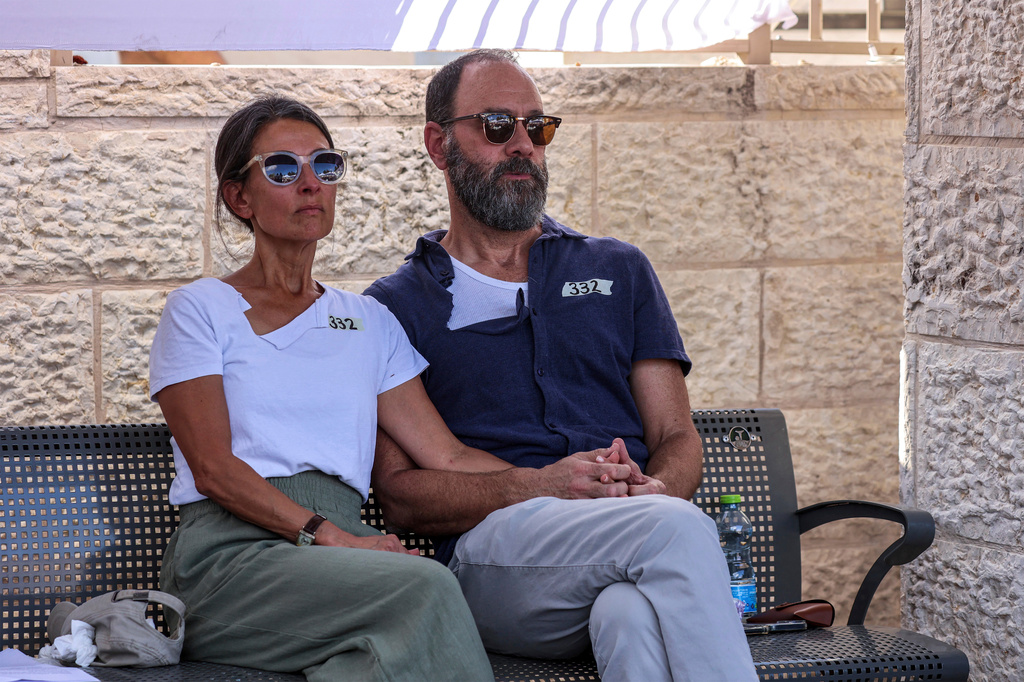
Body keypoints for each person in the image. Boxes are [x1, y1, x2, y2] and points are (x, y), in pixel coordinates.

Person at [364, 50, 759, 681]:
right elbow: (400, 496)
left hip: (627, 537)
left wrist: (654, 492)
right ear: (440, 145)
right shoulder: (396, 305)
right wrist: (542, 485)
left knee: (629, 615)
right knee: (677, 533)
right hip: (492, 565)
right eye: (497, 126)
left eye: (538, 127)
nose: (523, 144)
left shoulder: (619, 269)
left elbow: (676, 435)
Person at [147, 96, 551, 682]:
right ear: (240, 198)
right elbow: (212, 469)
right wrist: (328, 535)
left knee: (376, 662)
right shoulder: (200, 309)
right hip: (229, 563)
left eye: (325, 165)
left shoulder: (368, 321)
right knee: (425, 588)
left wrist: (556, 485)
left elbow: (447, 456)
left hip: (339, 558)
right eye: (281, 168)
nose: (310, 183)